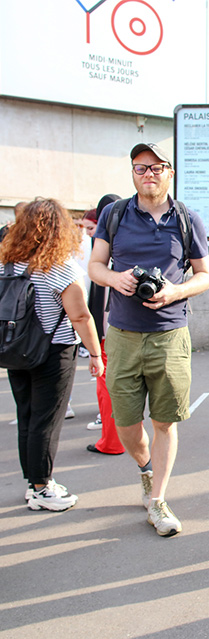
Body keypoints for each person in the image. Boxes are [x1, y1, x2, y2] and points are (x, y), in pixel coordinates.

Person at [88, 143, 209, 537]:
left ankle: (158, 500)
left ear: (170, 172)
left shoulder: (186, 219)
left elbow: (205, 275)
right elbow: (94, 267)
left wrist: (174, 292)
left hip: (169, 335)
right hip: (122, 335)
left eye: (157, 167)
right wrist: (116, 278)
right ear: (132, 173)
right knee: (125, 423)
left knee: (164, 421)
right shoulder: (115, 214)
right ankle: (146, 469)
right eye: (141, 168)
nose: (149, 174)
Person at [0, 198, 104, 511]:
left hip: (15, 348)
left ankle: (33, 483)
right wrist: (96, 355)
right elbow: (81, 317)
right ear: (58, 229)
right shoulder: (59, 268)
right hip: (53, 353)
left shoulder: (7, 263)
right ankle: (43, 489)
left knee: (27, 417)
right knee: (47, 422)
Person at [85, 193, 126, 454]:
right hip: (125, 326)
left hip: (108, 328)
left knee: (108, 386)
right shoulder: (127, 235)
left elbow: (97, 296)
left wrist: (94, 339)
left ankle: (111, 442)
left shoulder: (103, 244)